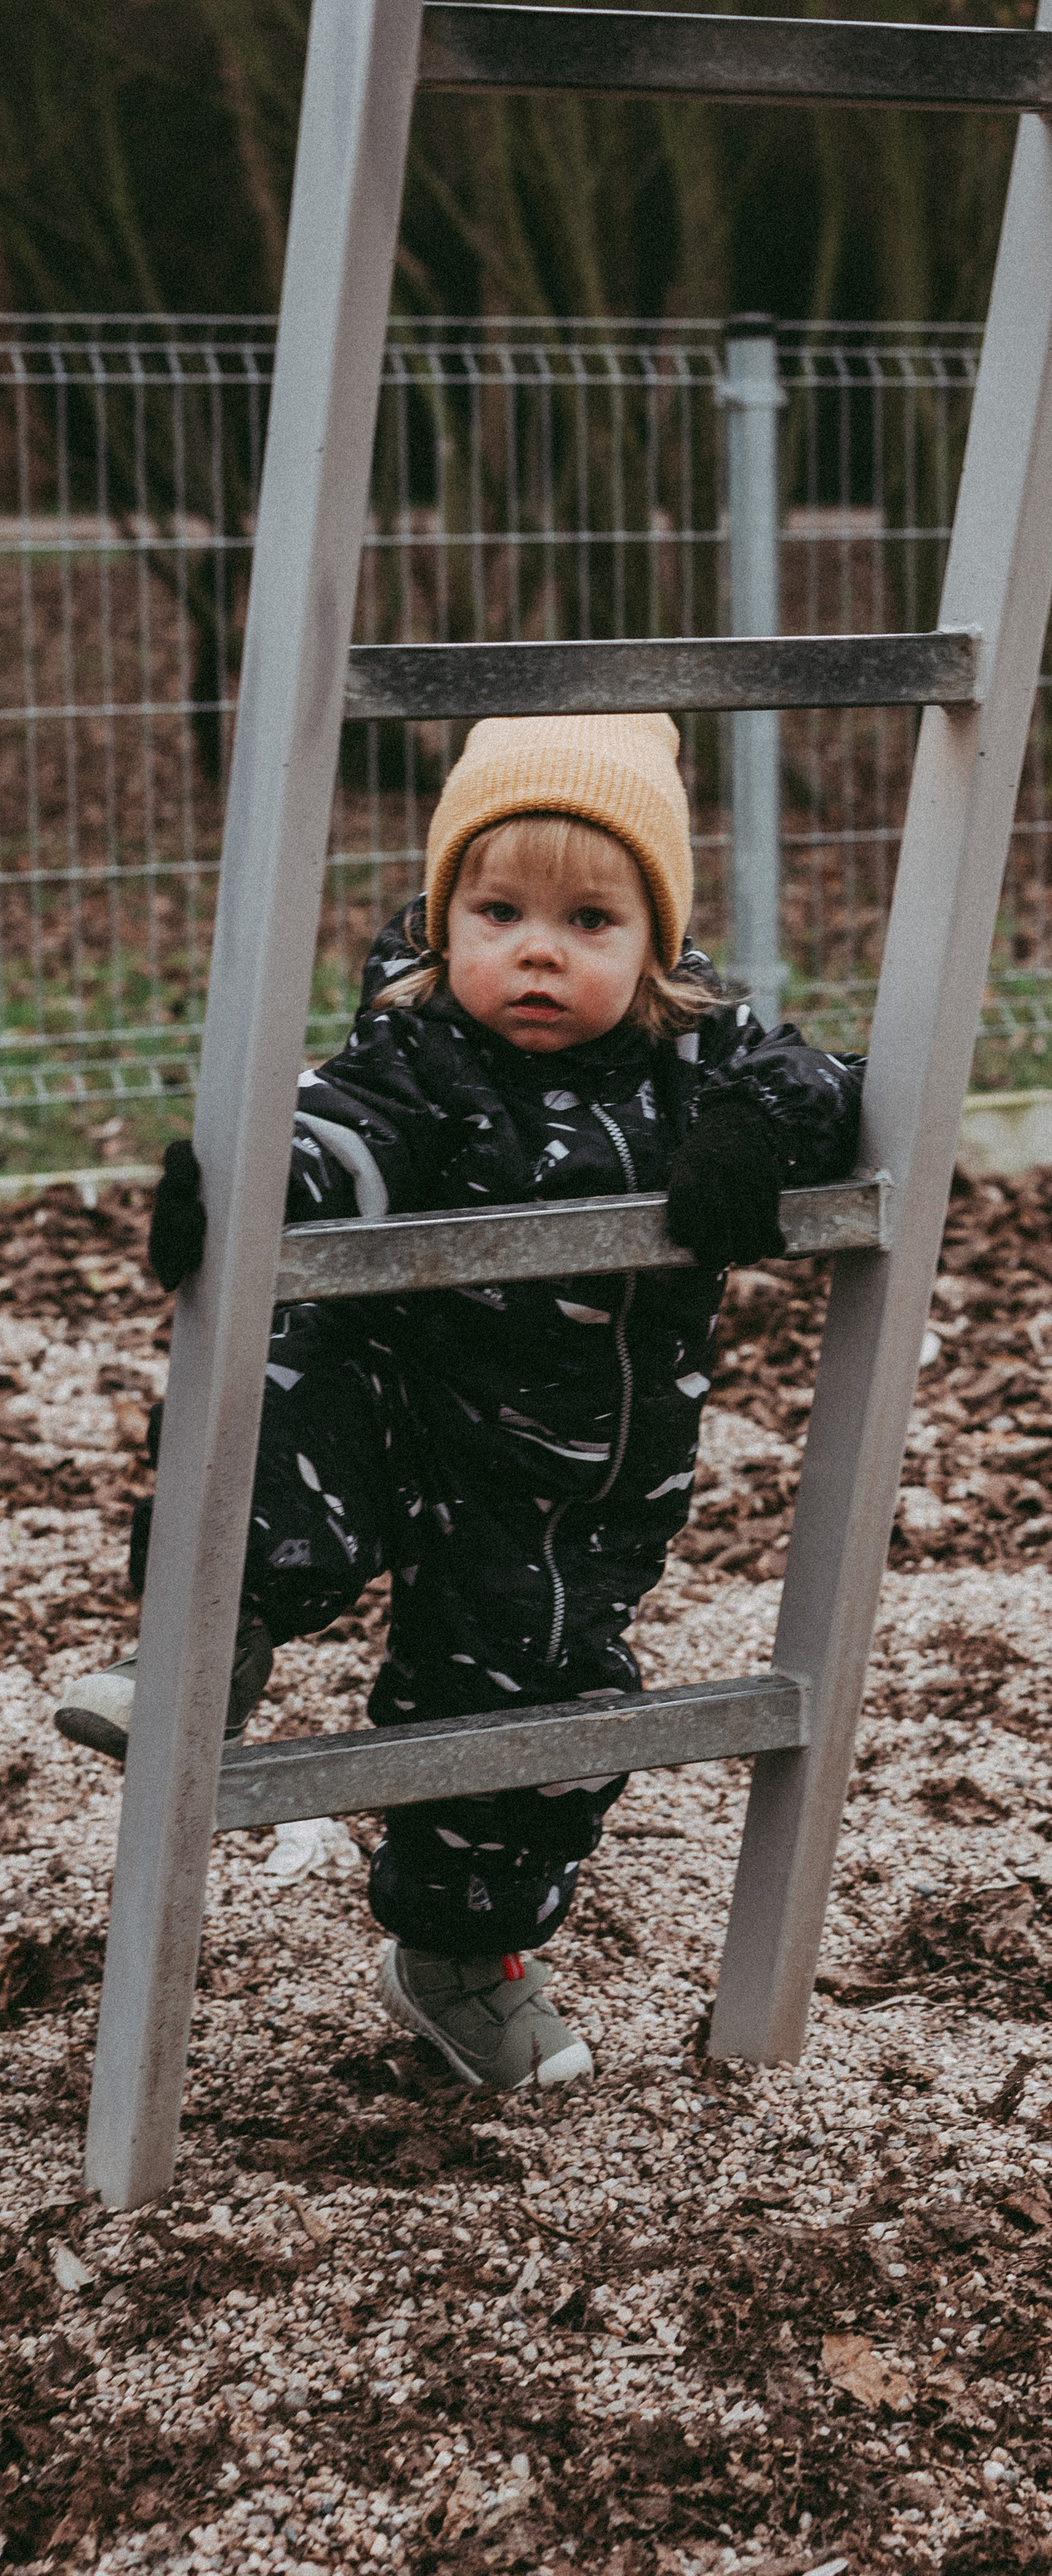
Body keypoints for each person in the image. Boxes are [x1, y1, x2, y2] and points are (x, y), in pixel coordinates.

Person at [54, 712, 862, 2092]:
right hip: (402, 1412)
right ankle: (213, 1641)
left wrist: (749, 1142)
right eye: (498, 911)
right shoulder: (425, 1053)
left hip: (571, 1486)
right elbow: (342, 1137)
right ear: (443, 924)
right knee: (286, 1386)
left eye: (590, 918)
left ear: (656, 948)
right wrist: (243, 1189)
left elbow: (828, 1087)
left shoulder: (698, 1063)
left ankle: (455, 1963)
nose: (537, 950)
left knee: (534, 1720)